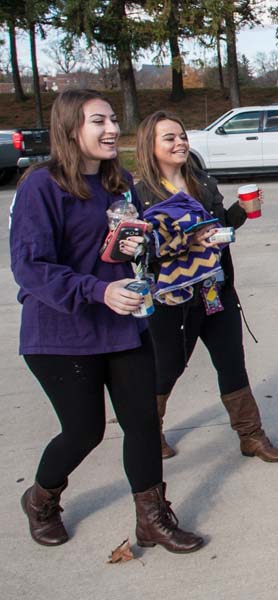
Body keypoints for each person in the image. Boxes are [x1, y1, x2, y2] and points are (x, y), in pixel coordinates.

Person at [10, 89, 203, 553]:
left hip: (124, 327)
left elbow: (126, 250)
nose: (112, 129)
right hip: (61, 333)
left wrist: (143, 252)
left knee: (142, 424)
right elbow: (31, 267)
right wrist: (99, 290)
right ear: (70, 128)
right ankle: (41, 498)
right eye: (99, 121)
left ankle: (152, 519)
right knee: (85, 431)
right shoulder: (41, 185)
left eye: (113, 119)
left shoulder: (121, 185)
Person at [134, 110, 278, 463]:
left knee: (232, 361)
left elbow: (218, 232)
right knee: (168, 367)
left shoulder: (203, 183)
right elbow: (144, 252)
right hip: (172, 297)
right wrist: (188, 243)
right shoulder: (140, 195)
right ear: (149, 145)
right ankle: (148, 433)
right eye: (169, 138)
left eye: (182, 136)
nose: (180, 143)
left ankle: (251, 436)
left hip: (215, 290)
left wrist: (242, 212)